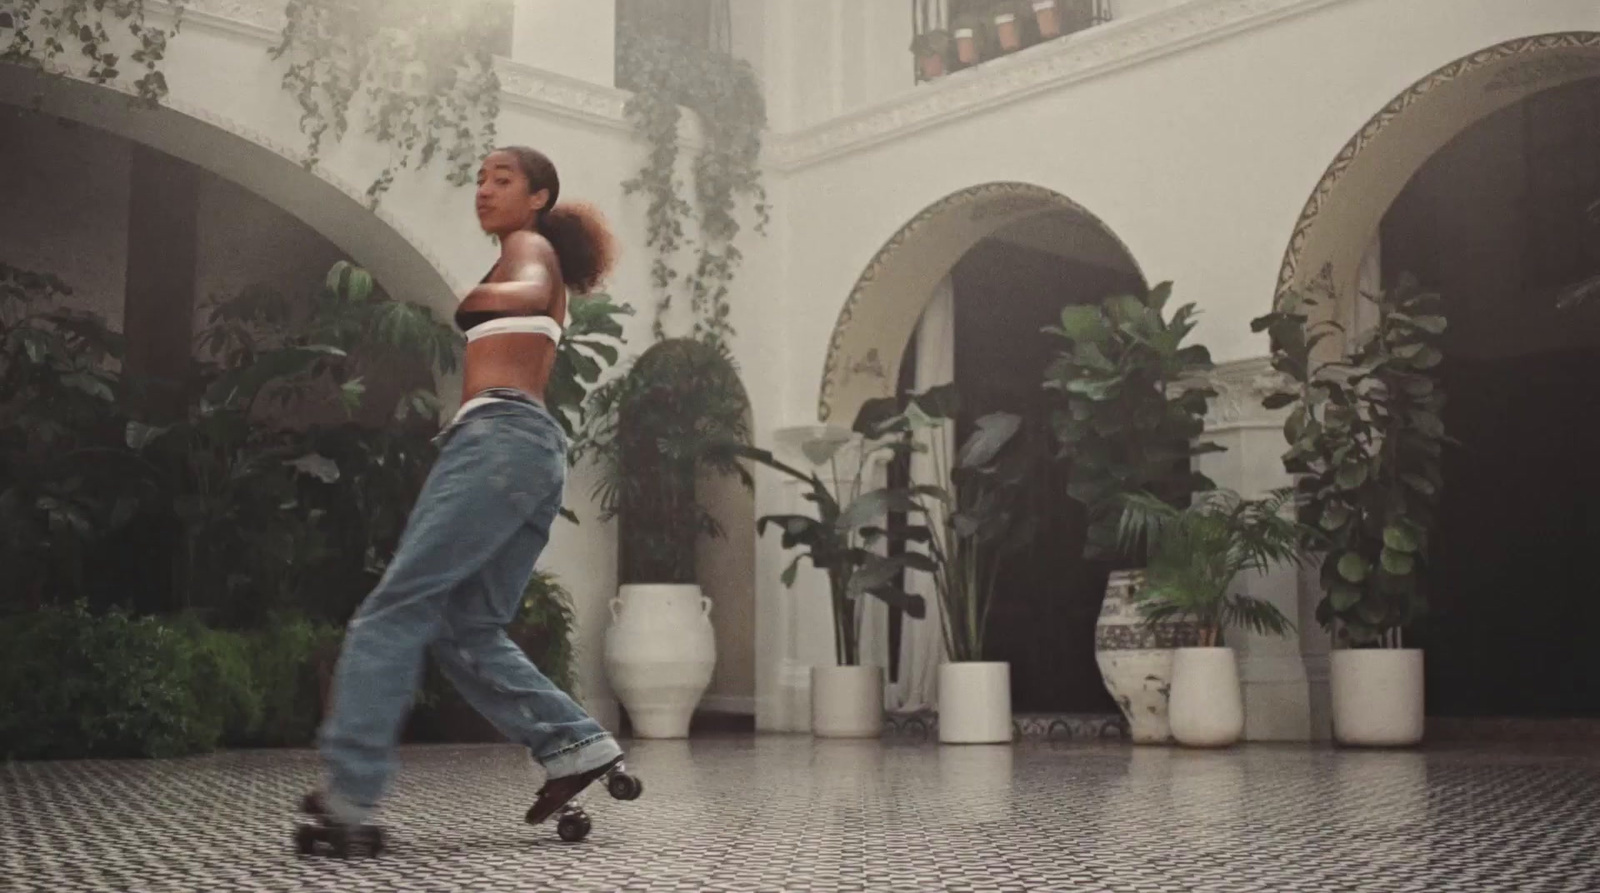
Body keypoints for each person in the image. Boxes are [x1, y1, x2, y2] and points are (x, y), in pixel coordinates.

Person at [301, 146, 626, 842]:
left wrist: (475, 300)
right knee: (464, 627)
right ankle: (574, 740)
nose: (484, 190)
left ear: (537, 196)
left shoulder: (528, 248)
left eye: (501, 180)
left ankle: (350, 797)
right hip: (527, 449)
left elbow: (525, 293)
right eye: (480, 179)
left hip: (500, 438)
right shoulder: (528, 250)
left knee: (394, 610)